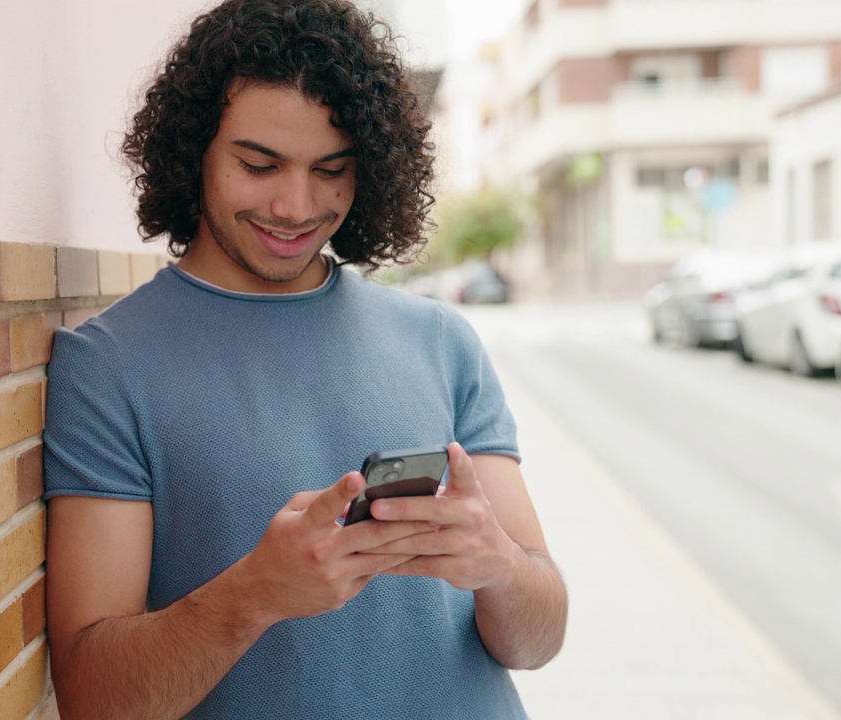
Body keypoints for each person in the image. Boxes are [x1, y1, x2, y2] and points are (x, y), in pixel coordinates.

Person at [42, 1, 568, 717]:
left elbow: (539, 642)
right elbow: (93, 700)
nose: (296, 205)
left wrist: (498, 567)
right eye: (259, 164)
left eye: (331, 170)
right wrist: (255, 593)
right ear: (193, 147)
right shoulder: (108, 367)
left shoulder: (441, 341)